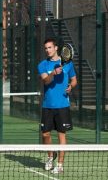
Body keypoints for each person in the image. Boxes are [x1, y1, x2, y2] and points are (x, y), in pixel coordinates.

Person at [37, 38, 77, 174]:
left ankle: (60, 165)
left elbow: (74, 80)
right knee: (45, 134)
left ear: (56, 48)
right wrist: (53, 73)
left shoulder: (68, 64)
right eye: (46, 48)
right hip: (48, 105)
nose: (47, 50)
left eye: (49, 47)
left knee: (61, 135)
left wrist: (71, 86)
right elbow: (46, 81)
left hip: (62, 105)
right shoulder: (42, 65)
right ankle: (50, 156)